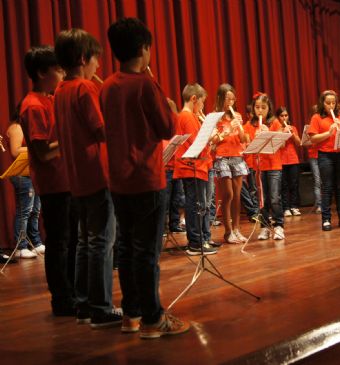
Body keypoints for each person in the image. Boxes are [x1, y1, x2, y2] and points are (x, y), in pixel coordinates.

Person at [101, 17, 188, 339]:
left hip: (118, 179)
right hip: (147, 178)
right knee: (147, 253)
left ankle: (132, 315)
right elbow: (168, 128)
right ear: (143, 49)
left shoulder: (108, 85)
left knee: (125, 248)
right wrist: (167, 105)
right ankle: (154, 319)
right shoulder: (145, 84)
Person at [54, 28, 120, 328]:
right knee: (101, 242)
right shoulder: (84, 89)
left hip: (77, 175)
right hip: (97, 173)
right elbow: (102, 130)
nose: (99, 67)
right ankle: (100, 307)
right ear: (83, 59)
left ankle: (82, 305)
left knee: (84, 241)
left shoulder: (60, 90)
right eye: (95, 60)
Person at [19, 45, 75, 315]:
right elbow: (42, 152)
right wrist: (69, 139)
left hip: (66, 179)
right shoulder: (32, 105)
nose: (62, 73)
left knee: (71, 239)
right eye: (58, 69)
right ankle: (62, 299)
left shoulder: (51, 99)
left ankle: (74, 293)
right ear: (42, 72)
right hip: (54, 183)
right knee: (59, 242)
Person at [173, 84, 218, 255]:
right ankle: (195, 243)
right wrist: (209, 136)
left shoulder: (188, 116)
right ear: (194, 99)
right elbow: (196, 143)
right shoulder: (188, 117)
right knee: (195, 205)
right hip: (191, 167)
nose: (202, 107)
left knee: (198, 205)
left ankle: (201, 240)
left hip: (197, 167)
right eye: (202, 102)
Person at [309, 90, 340, 231]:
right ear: (322, 103)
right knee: (327, 187)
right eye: (328, 103)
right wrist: (328, 132)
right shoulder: (317, 117)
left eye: (333, 103)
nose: (331, 105)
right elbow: (313, 139)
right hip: (325, 156)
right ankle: (326, 220)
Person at [210, 84, 248, 244]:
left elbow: (243, 139)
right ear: (220, 98)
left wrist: (239, 127)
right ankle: (228, 231)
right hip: (222, 157)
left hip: (237, 157)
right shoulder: (214, 116)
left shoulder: (237, 115)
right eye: (228, 99)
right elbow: (212, 140)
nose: (231, 102)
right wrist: (226, 130)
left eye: (233, 99)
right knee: (228, 195)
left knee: (237, 196)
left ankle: (237, 229)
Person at [6, 104, 44, 258]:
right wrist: (37, 148)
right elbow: (15, 151)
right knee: (25, 212)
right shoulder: (17, 127)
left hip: (33, 173)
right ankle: (21, 246)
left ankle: (35, 242)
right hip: (22, 175)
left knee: (35, 211)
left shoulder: (27, 127)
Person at [251, 93, 285, 240]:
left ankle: (279, 226)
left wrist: (268, 133)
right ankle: (264, 227)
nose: (260, 111)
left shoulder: (275, 122)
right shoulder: (250, 125)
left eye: (263, 108)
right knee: (262, 200)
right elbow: (247, 144)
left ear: (268, 108)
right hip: (259, 167)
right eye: (257, 107)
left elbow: (282, 144)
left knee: (275, 197)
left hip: (274, 165)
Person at [277, 107, 302, 217]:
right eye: (282, 116)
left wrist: (293, 134)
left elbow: (299, 143)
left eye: (286, 115)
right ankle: (286, 208)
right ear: (278, 117)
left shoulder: (293, 128)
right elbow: (280, 145)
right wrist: (283, 134)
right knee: (284, 185)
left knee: (294, 184)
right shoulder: (277, 129)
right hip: (281, 160)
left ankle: (294, 206)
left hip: (293, 159)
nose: (284, 118)